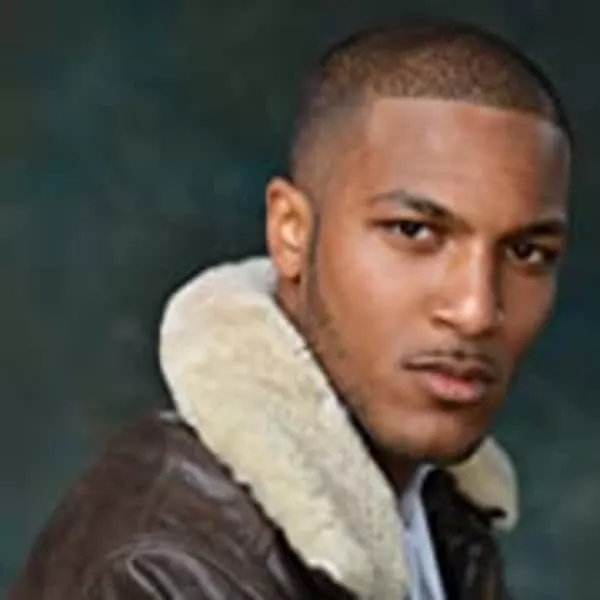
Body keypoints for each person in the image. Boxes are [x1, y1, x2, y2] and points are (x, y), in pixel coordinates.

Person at [11, 21, 571, 600]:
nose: (476, 310)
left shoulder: (438, 509)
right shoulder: (161, 568)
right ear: (291, 233)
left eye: (528, 252)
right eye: (413, 231)